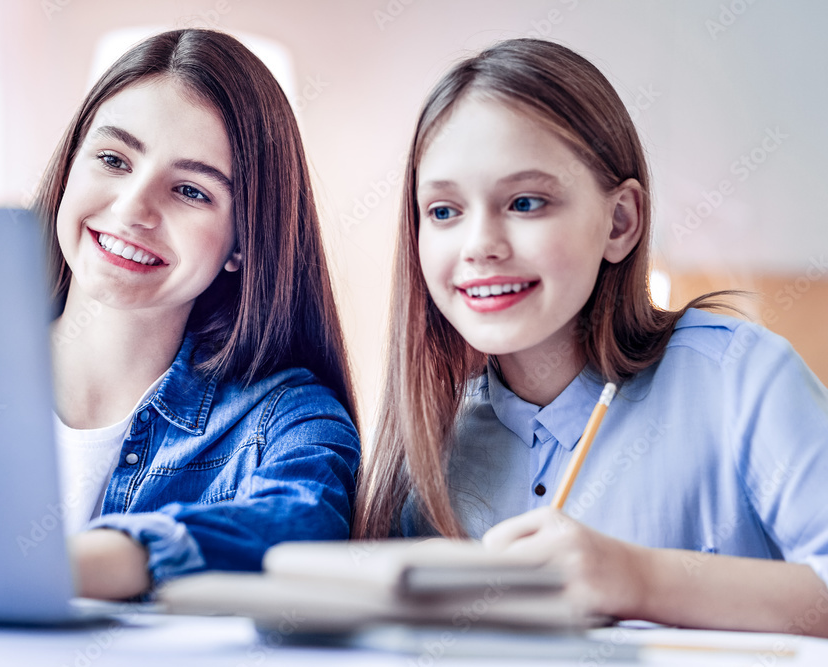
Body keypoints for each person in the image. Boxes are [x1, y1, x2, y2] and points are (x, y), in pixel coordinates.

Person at [353, 38, 828, 636]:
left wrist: (639, 579)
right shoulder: (431, 443)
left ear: (620, 222)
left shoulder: (740, 377)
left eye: (526, 202)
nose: (480, 245)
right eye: (444, 211)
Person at [31, 29, 360, 600]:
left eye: (190, 191)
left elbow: (304, 527)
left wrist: (85, 564)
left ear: (243, 242)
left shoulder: (286, 420)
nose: (133, 208)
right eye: (113, 159)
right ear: (70, 167)